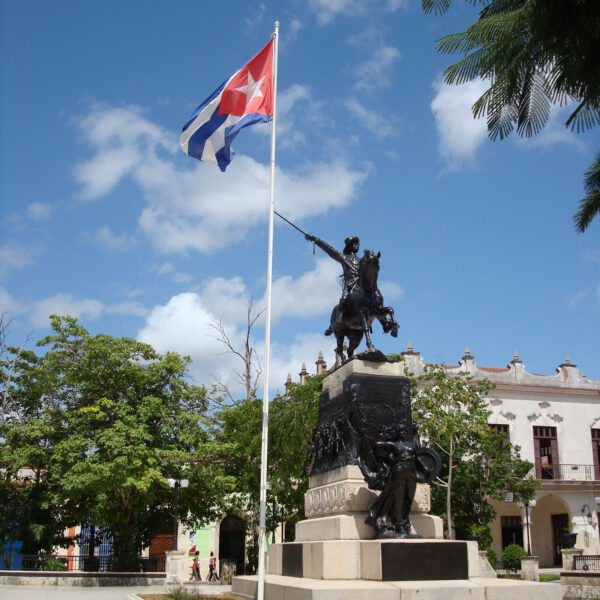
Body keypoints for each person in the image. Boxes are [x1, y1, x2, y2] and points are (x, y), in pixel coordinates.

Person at [305, 234, 361, 335]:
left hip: (361, 285)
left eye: (357, 244)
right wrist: (316, 239)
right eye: (354, 244)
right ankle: (339, 317)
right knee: (344, 298)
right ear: (350, 246)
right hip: (350, 284)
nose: (357, 246)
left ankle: (384, 321)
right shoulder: (344, 258)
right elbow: (330, 250)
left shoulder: (361, 261)